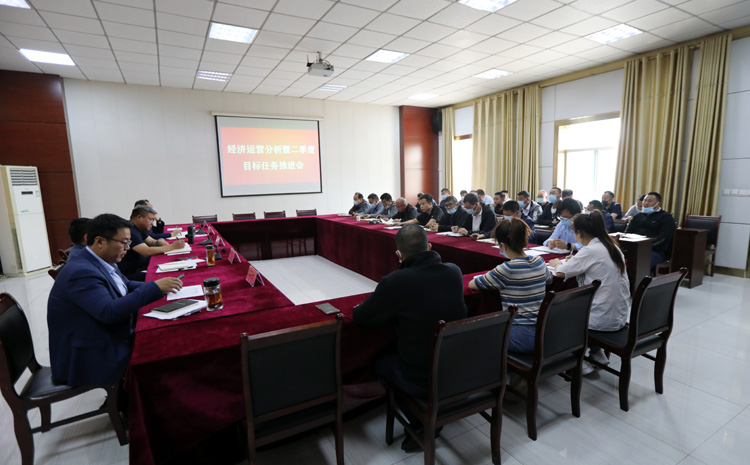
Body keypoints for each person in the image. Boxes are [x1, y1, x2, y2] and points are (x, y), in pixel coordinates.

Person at [353, 225, 467, 451]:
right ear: (430, 247)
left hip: (421, 377)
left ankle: (420, 419)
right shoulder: (454, 271)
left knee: (380, 363)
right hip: (457, 367)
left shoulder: (396, 281)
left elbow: (362, 317)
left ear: (399, 254)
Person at [47, 213, 183, 387]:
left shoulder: (99, 259)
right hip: (89, 354)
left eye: (129, 242)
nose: (128, 247)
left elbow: (125, 284)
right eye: (124, 242)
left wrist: (157, 286)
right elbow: (108, 311)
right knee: (164, 346)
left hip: (102, 336)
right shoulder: (81, 271)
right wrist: (154, 288)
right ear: (100, 241)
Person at [549, 210, 631, 375]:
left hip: (602, 318)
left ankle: (576, 361)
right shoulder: (611, 246)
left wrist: (556, 262)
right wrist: (574, 260)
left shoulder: (591, 250)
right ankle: (596, 352)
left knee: (559, 311)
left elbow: (561, 272)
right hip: (619, 315)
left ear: (579, 233)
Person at [469, 219, 553, 353]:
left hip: (520, 334)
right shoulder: (539, 261)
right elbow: (549, 279)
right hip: (544, 329)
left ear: (502, 245)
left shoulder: (507, 269)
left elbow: (473, 284)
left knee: (477, 333)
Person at [119, 206, 185, 281]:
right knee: (162, 278)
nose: (152, 223)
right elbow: (146, 251)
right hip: (127, 273)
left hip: (137, 264)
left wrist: (158, 242)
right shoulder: (131, 231)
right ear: (139, 218)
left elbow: (152, 241)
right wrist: (172, 247)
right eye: (150, 219)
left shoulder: (138, 228)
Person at [624, 192, 677, 269]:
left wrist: (645, 246)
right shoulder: (638, 216)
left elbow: (664, 237)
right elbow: (627, 233)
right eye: (644, 200)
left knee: (638, 262)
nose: (646, 203)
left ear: (658, 203)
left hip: (655, 251)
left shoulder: (666, 217)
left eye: (649, 201)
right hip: (635, 248)